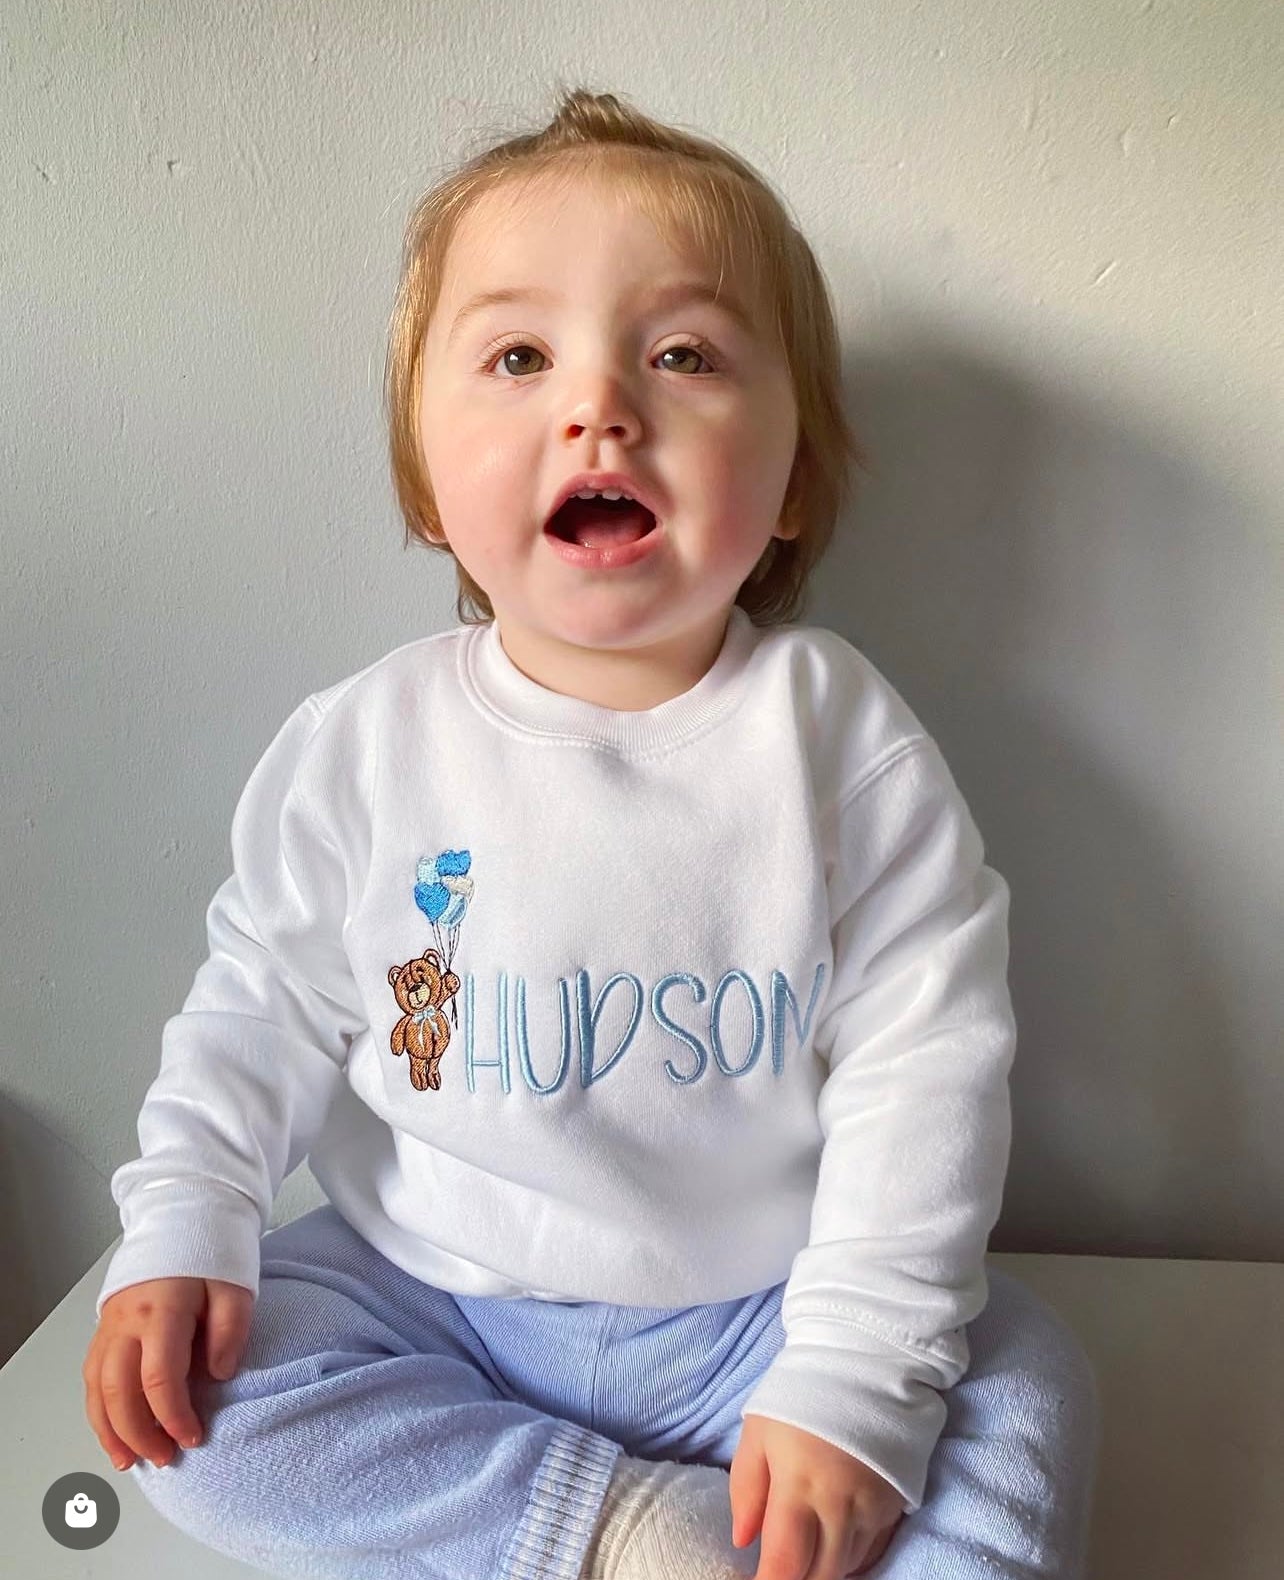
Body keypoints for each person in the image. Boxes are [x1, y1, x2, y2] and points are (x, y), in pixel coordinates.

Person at [83, 86, 1099, 1580]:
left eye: (683, 355)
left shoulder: (835, 740)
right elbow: (260, 1004)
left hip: (759, 1317)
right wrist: (188, 1219)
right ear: (427, 480)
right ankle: (621, 1534)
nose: (601, 407)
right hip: (433, 1301)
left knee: (1022, 1376)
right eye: (518, 356)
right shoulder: (367, 742)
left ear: (794, 478)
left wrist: (851, 1376)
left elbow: (926, 1065)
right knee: (195, 1412)